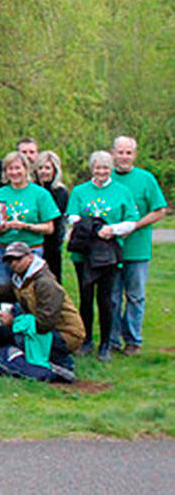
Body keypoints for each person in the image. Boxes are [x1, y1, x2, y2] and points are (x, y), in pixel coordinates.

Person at [64, 151, 138, 360]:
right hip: (85, 253)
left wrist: (111, 229)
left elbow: (131, 220)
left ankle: (106, 343)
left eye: (106, 168)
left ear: (111, 169)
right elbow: (72, 217)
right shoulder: (79, 191)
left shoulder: (122, 191)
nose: (102, 172)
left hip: (109, 253)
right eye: (98, 168)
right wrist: (94, 227)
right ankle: (86, 340)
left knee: (106, 299)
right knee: (85, 298)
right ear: (91, 169)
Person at [108, 135, 170, 356]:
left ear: (134, 155)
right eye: (120, 152)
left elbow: (160, 210)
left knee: (135, 295)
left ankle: (133, 340)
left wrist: (135, 225)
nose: (124, 157)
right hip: (111, 249)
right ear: (113, 153)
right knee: (112, 296)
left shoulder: (146, 179)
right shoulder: (106, 178)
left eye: (128, 153)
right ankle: (112, 340)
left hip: (137, 248)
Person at [0, 240, 85, 380]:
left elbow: (46, 322)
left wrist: (13, 322)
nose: (13, 264)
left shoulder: (45, 283)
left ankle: (61, 364)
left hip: (66, 333)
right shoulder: (20, 279)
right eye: (9, 260)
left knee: (20, 337)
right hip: (46, 329)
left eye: (17, 259)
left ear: (30, 257)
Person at [0, 152, 59, 284]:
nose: (14, 172)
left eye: (18, 168)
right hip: (3, 250)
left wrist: (26, 226)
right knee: (4, 292)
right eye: (10, 169)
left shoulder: (40, 194)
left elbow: (49, 228)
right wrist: (0, 228)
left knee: (30, 292)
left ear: (26, 169)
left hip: (31, 250)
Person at [32, 151, 70, 281]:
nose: (43, 172)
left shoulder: (60, 192)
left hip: (52, 243)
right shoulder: (31, 189)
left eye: (47, 168)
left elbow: (52, 216)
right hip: (33, 241)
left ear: (55, 170)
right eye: (40, 168)